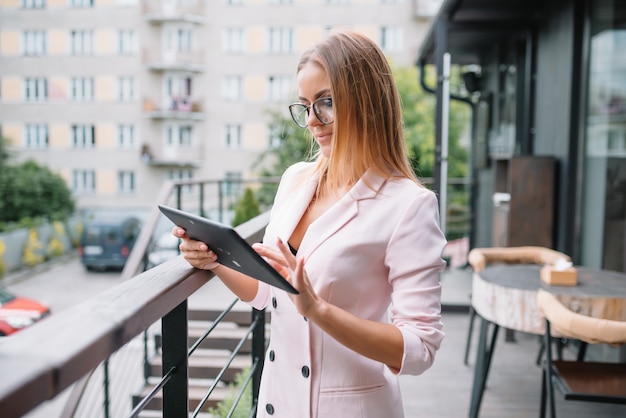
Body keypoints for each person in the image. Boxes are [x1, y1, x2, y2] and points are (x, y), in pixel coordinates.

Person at [174, 29, 447, 418]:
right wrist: (213, 258)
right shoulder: (296, 180)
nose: (313, 121)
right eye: (305, 105)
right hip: (277, 400)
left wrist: (318, 309)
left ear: (367, 102)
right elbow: (265, 292)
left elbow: (420, 349)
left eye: (327, 103)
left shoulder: (408, 205)